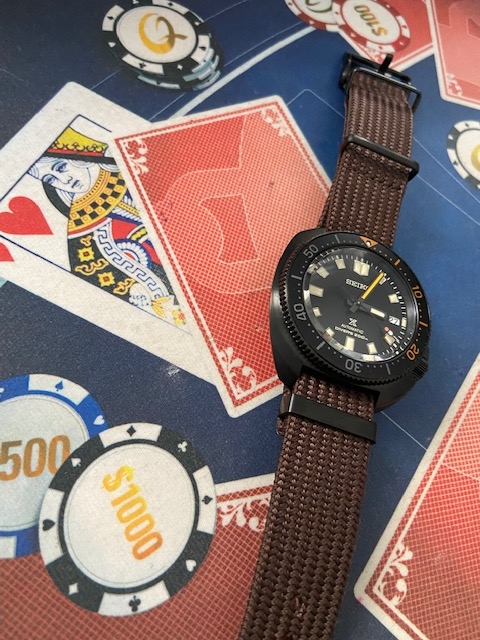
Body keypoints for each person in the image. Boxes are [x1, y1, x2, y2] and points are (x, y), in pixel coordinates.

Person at [28, 126, 185, 326]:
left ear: (78, 158)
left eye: (61, 168)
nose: (64, 180)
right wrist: (134, 289)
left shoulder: (133, 167)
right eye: (50, 179)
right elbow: (96, 278)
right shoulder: (80, 227)